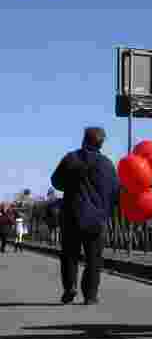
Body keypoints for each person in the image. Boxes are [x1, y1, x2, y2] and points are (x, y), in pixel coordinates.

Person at [50, 127, 120, 304]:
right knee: (94, 259)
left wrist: (71, 184)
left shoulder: (71, 158)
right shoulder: (107, 164)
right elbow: (115, 192)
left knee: (69, 255)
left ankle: (70, 287)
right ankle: (90, 295)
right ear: (101, 143)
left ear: (84, 140)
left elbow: (56, 181)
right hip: (96, 219)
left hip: (71, 215)